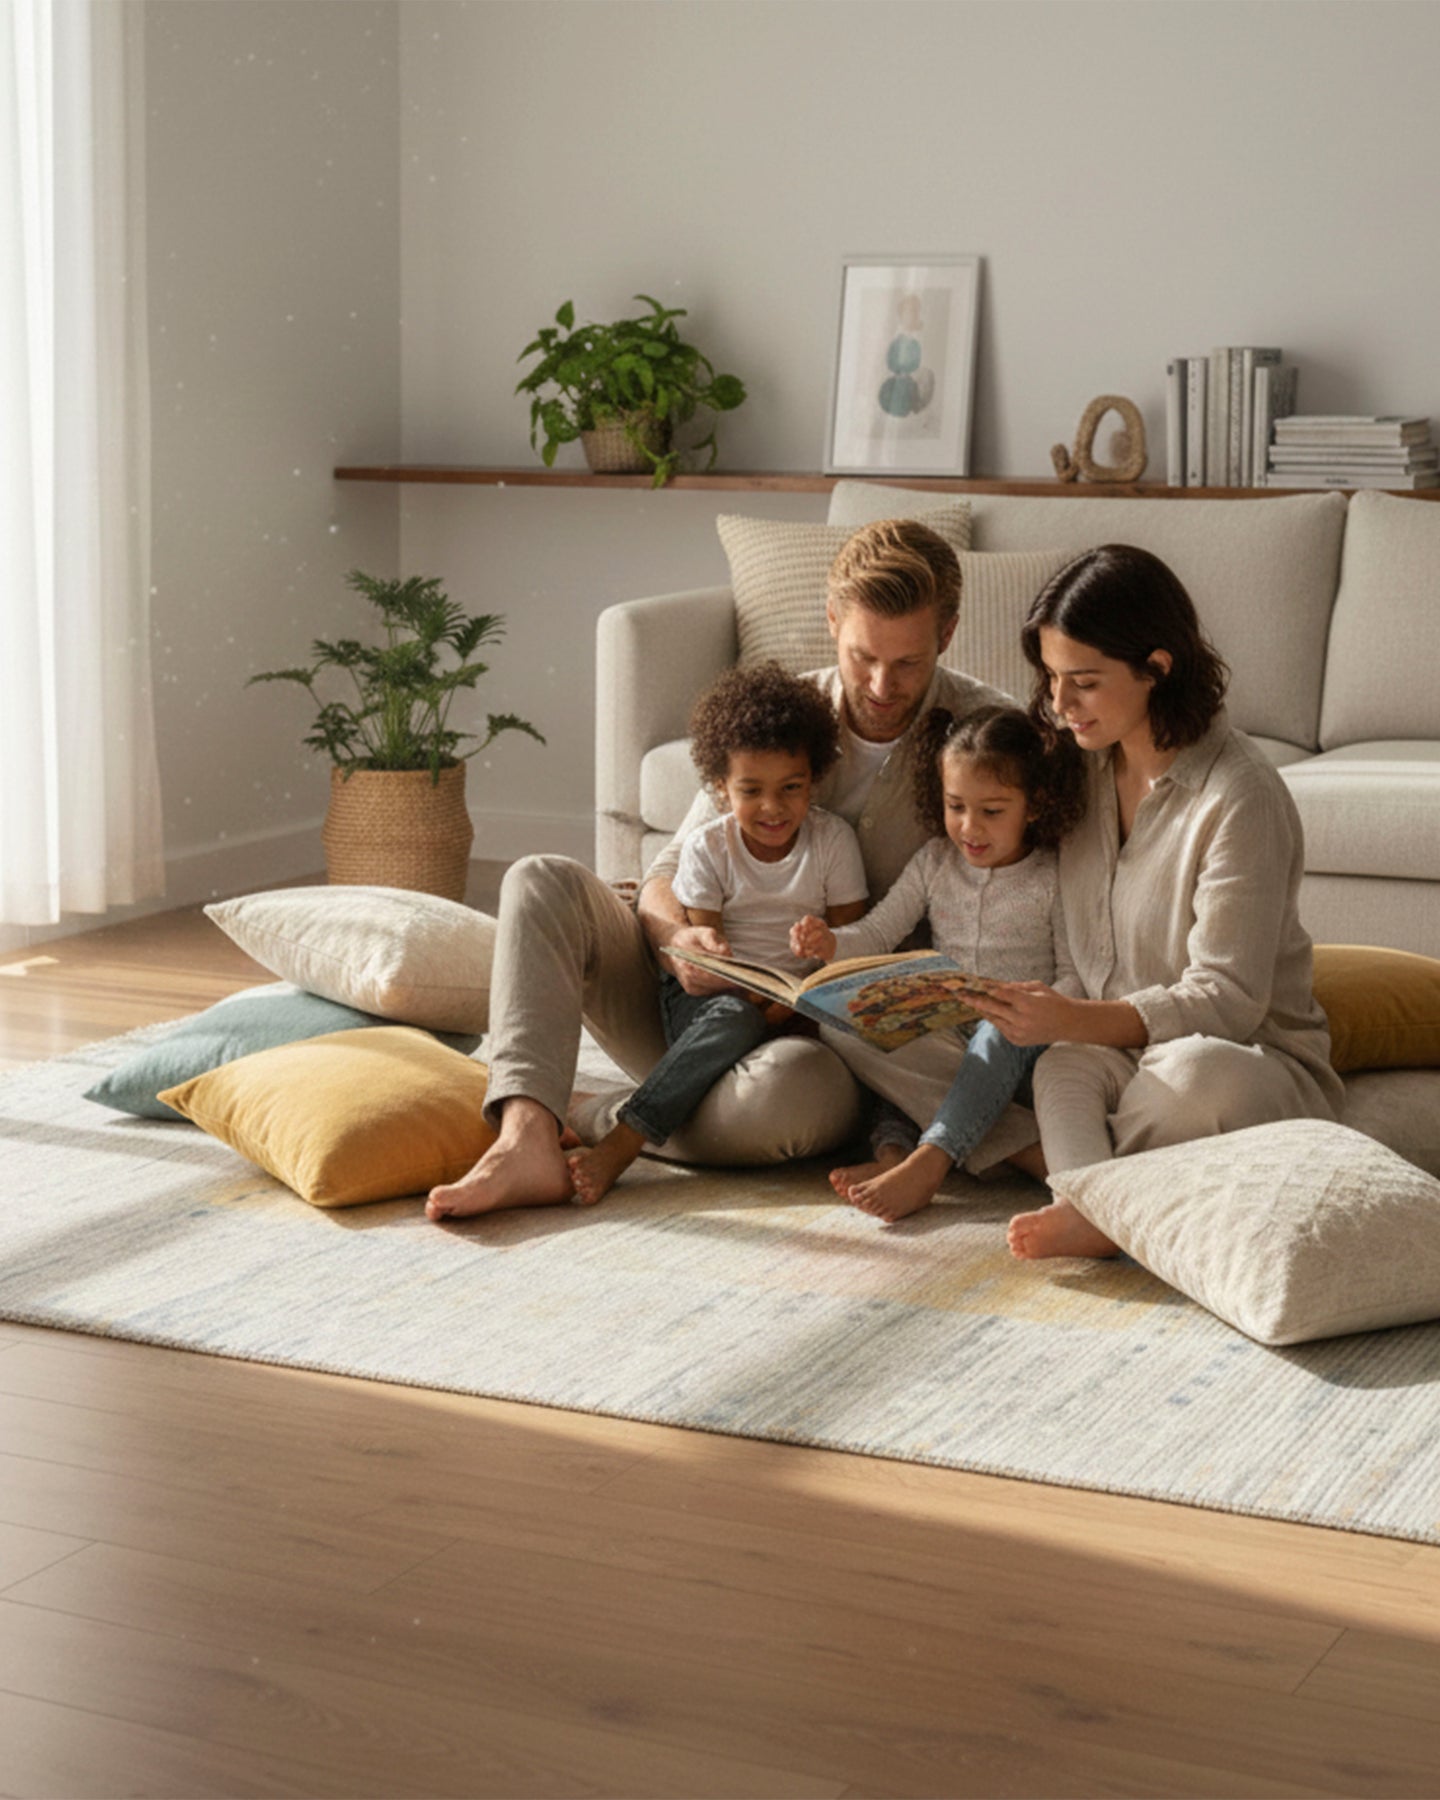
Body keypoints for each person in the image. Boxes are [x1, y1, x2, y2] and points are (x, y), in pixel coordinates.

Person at [425, 516, 1010, 1221]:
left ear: (945, 635)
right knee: (540, 878)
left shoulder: (990, 738)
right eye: (862, 657)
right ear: (831, 621)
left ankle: (596, 1111)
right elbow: (668, 872)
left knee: (790, 1104)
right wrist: (679, 941)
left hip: (822, 1052)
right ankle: (524, 1137)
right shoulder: (777, 718)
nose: (881, 685)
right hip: (694, 1005)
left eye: (908, 663)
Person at [957, 543, 1344, 1261]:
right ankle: (1096, 1203)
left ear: (1157, 669)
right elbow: (1079, 954)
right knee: (1059, 1066)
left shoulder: (1241, 797)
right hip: (1116, 1049)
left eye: (1084, 682)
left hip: (1241, 1057)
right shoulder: (1077, 766)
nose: (1058, 704)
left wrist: (1074, 1017)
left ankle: (1098, 1194)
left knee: (1187, 1084)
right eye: (1049, 678)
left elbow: (1228, 1000)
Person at [566, 662, 868, 1204]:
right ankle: (626, 1136)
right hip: (714, 1001)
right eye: (751, 790)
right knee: (734, 1017)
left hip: (803, 1006)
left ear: (815, 778)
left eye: (791, 788)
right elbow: (710, 968)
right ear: (720, 788)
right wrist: (764, 1007)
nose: (773, 807)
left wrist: (821, 957)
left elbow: (853, 946)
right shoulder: (709, 848)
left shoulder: (833, 842)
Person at [790, 703, 1085, 1223]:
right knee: (842, 1027)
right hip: (945, 1035)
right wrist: (832, 944)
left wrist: (1034, 1007)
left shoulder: (1053, 874)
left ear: (1034, 805)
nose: (969, 827)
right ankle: (987, 1154)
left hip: (1019, 1040)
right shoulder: (933, 862)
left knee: (994, 1031)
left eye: (992, 811)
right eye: (956, 806)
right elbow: (880, 932)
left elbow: (1074, 973)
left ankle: (932, 1160)